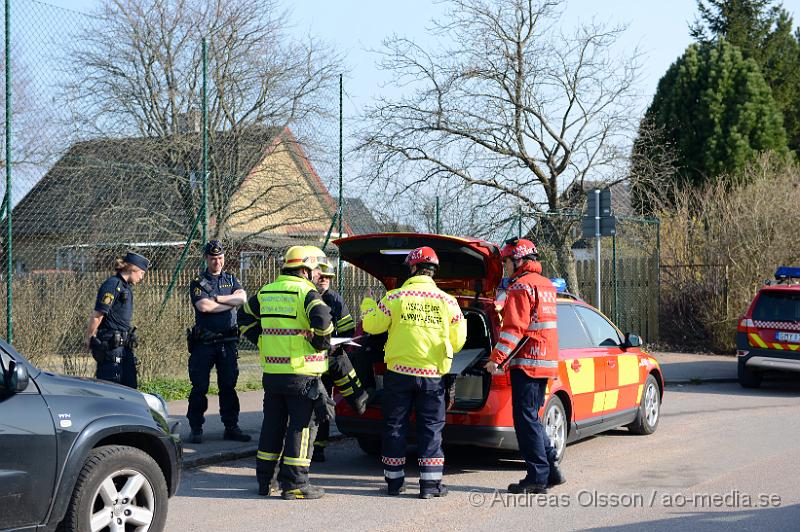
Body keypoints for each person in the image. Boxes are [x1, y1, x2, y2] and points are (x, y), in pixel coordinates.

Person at [360, 246, 467, 498]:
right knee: (430, 428)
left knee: (395, 426)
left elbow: (372, 326)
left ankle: (395, 484)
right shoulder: (448, 301)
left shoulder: (395, 297)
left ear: (412, 268)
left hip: (398, 374)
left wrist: (366, 304)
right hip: (431, 375)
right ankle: (430, 486)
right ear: (433, 272)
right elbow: (459, 339)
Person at [238, 245, 334, 500]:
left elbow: (243, 316)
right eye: (313, 270)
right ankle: (295, 484)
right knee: (302, 428)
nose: (315, 275)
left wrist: (260, 340)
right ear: (304, 269)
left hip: (272, 373)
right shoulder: (307, 292)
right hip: (301, 373)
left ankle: (264, 482)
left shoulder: (266, 291)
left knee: (272, 426)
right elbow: (323, 322)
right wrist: (320, 344)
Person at [484, 237, 566, 494]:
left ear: (518, 260)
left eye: (507, 262)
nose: (506, 267)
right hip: (544, 362)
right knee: (532, 419)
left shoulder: (521, 287)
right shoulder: (546, 286)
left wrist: (495, 360)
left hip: (528, 364)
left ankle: (537, 478)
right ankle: (550, 469)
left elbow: (513, 330)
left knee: (526, 422)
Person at [186, 240, 251, 444]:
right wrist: (228, 301)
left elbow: (242, 299)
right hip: (204, 343)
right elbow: (204, 306)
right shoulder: (198, 281)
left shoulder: (231, 278)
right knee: (199, 387)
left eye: (220, 258)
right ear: (206, 258)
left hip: (228, 342)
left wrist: (219, 299)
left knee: (228, 386)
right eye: (213, 258)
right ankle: (196, 428)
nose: (217, 262)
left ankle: (231, 427)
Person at [312, 255, 365, 462]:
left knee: (327, 401)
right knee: (316, 402)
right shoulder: (306, 297)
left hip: (331, 360)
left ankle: (319, 447)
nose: (324, 279)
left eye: (328, 276)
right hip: (311, 362)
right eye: (321, 275)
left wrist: (337, 345)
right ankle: (313, 445)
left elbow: (347, 331)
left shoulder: (335, 300)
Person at [84, 251, 149, 389]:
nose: (141, 277)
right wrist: (89, 337)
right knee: (112, 389)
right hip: (111, 346)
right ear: (133, 269)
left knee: (130, 388)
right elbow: (98, 314)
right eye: (141, 273)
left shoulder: (126, 287)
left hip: (124, 347)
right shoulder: (112, 285)